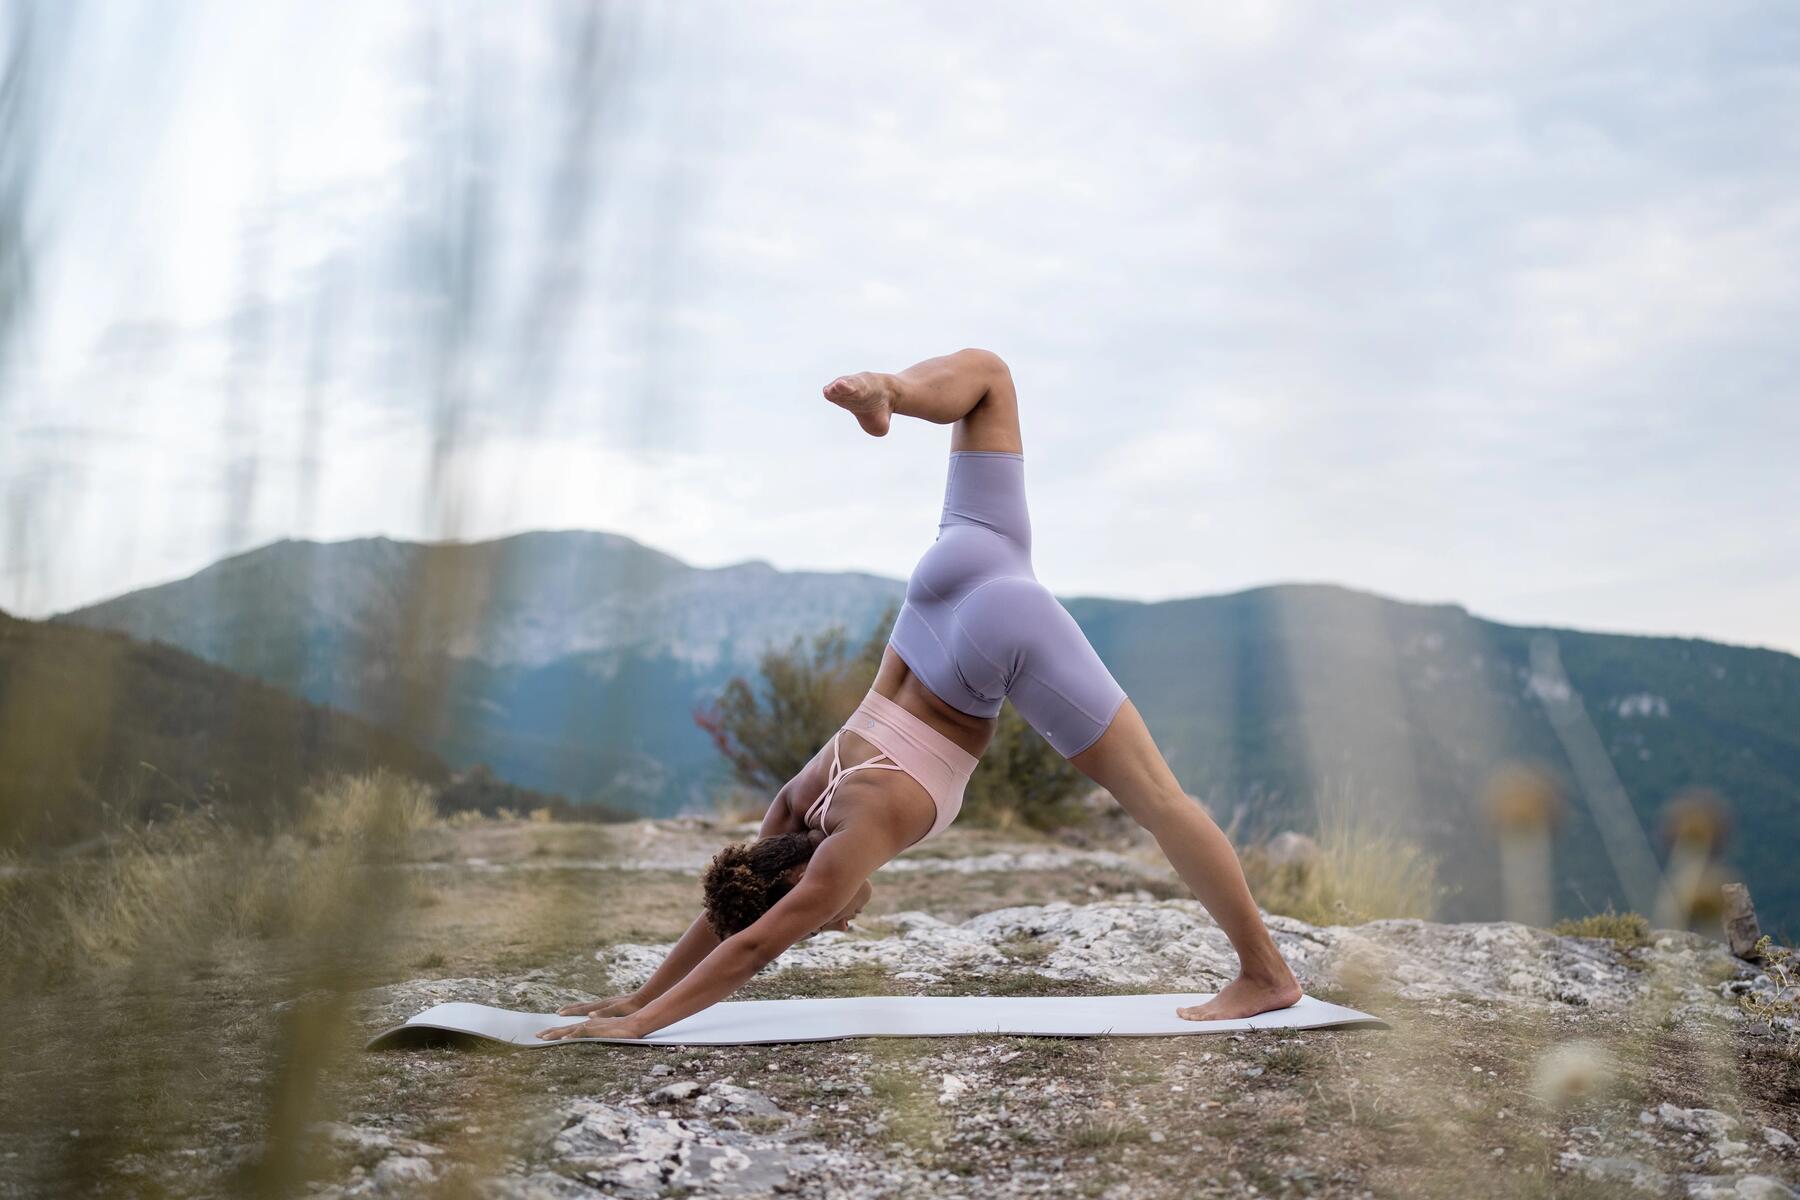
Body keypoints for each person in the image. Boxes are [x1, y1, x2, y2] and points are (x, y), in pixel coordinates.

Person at [539, 349, 1301, 1040]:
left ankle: (1267, 975)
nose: (836, 924)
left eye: (824, 921)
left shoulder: (844, 846)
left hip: (995, 645)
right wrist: (635, 995)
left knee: (1162, 803)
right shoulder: (796, 802)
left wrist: (640, 1022)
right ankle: (889, 391)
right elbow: (732, 910)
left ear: (804, 887)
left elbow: (752, 939)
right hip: (949, 578)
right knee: (990, 379)